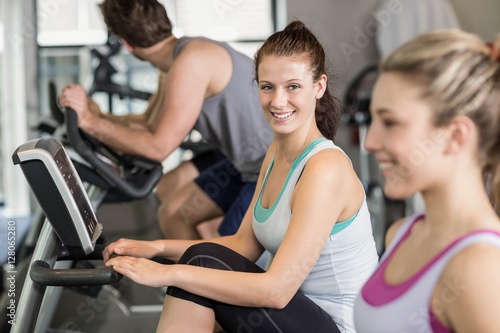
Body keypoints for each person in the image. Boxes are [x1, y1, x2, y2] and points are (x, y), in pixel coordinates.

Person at [103, 20, 379, 333]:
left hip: (341, 327)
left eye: (293, 87)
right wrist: (155, 248)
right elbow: (243, 244)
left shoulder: (325, 168)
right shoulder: (275, 154)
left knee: (198, 265)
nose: (277, 101)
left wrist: (166, 274)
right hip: (297, 317)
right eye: (267, 87)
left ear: (319, 87)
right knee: (201, 255)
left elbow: (276, 291)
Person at [58, 0, 273, 240]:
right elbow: (147, 123)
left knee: (226, 257)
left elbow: (157, 147)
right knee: (172, 214)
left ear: (126, 44)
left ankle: (209, 270)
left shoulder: (191, 61)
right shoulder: (177, 56)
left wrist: (89, 121)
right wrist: (97, 117)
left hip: (275, 170)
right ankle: (195, 273)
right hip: (247, 166)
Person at [353, 29, 500, 332]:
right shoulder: (401, 234)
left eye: (390, 122)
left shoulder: (481, 269)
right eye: (373, 121)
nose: (370, 143)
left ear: (455, 136)